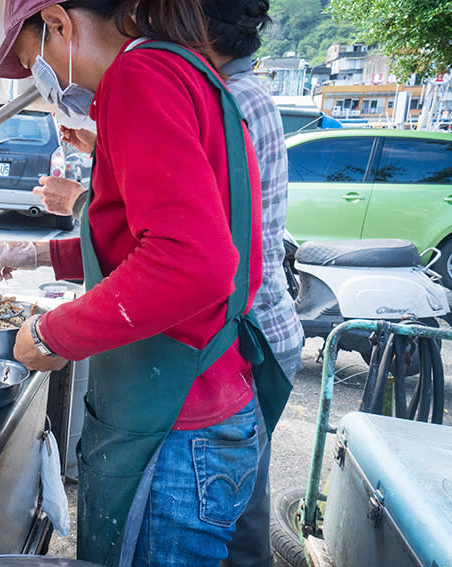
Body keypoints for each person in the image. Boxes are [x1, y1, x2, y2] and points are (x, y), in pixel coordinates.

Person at [0, 1, 292, 566]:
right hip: (211, 402)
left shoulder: (137, 76)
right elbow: (139, 242)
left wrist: (52, 333)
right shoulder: (185, 70)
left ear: (58, 22)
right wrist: (37, 253)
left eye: (35, 62)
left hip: (176, 425)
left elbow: (189, 261)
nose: (42, 84)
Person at [201, 2, 304, 566]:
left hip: (254, 335)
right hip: (267, 325)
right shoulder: (246, 94)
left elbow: (204, 238)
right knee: (241, 503)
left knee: (235, 517)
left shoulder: (231, 101)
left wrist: (81, 203)